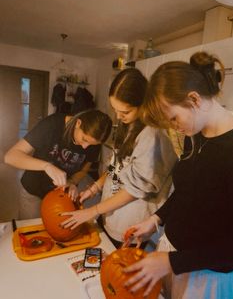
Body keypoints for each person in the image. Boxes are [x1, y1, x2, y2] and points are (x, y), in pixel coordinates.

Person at [122, 52, 233, 298]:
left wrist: (173, 262)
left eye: (173, 118)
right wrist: (156, 219)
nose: (175, 127)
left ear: (194, 99)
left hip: (208, 277)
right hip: (174, 257)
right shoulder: (194, 134)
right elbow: (186, 192)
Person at [60, 68, 177, 248]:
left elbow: (135, 189)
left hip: (131, 224)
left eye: (125, 111)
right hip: (111, 215)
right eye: (115, 109)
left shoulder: (153, 135)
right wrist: (95, 188)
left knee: (117, 270)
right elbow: (117, 167)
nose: (119, 116)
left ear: (143, 103)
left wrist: (94, 210)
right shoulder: (128, 125)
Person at [4, 109, 112, 219]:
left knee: (58, 229)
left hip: (61, 196)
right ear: (78, 123)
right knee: (30, 228)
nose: (85, 147)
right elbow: (10, 157)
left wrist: (72, 182)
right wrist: (46, 166)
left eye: (92, 144)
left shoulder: (94, 141)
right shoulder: (52, 125)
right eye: (84, 139)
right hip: (34, 190)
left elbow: (83, 170)